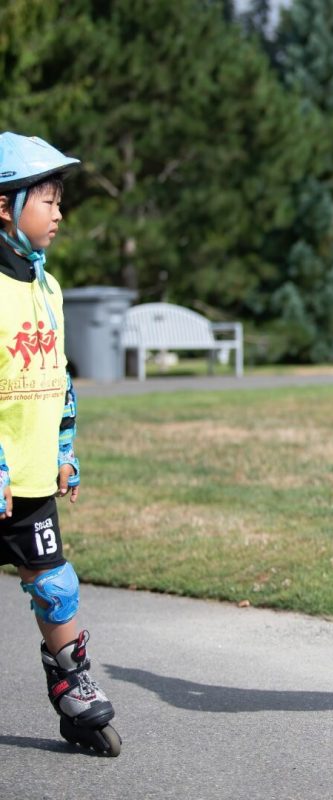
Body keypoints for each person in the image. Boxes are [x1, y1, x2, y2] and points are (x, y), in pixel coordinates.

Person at [0, 132, 121, 756]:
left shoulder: (46, 288)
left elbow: (58, 379)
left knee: (55, 586)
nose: (58, 212)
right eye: (45, 199)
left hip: (31, 482)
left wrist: (64, 450)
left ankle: (72, 691)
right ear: (4, 206)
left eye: (58, 199)